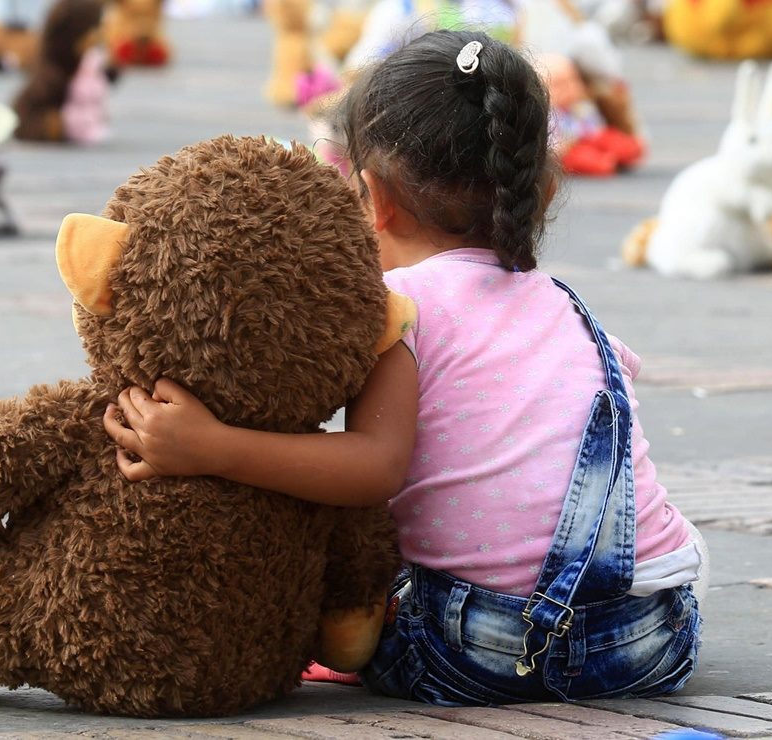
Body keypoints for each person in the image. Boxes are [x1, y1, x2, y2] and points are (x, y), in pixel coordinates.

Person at [103, 30, 705, 705]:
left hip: (478, 648)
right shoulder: (569, 309)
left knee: (353, 572)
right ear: (540, 187)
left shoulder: (401, 312)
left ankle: (341, 643)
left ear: (373, 198)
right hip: (647, 639)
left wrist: (212, 447)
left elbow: (371, 469)